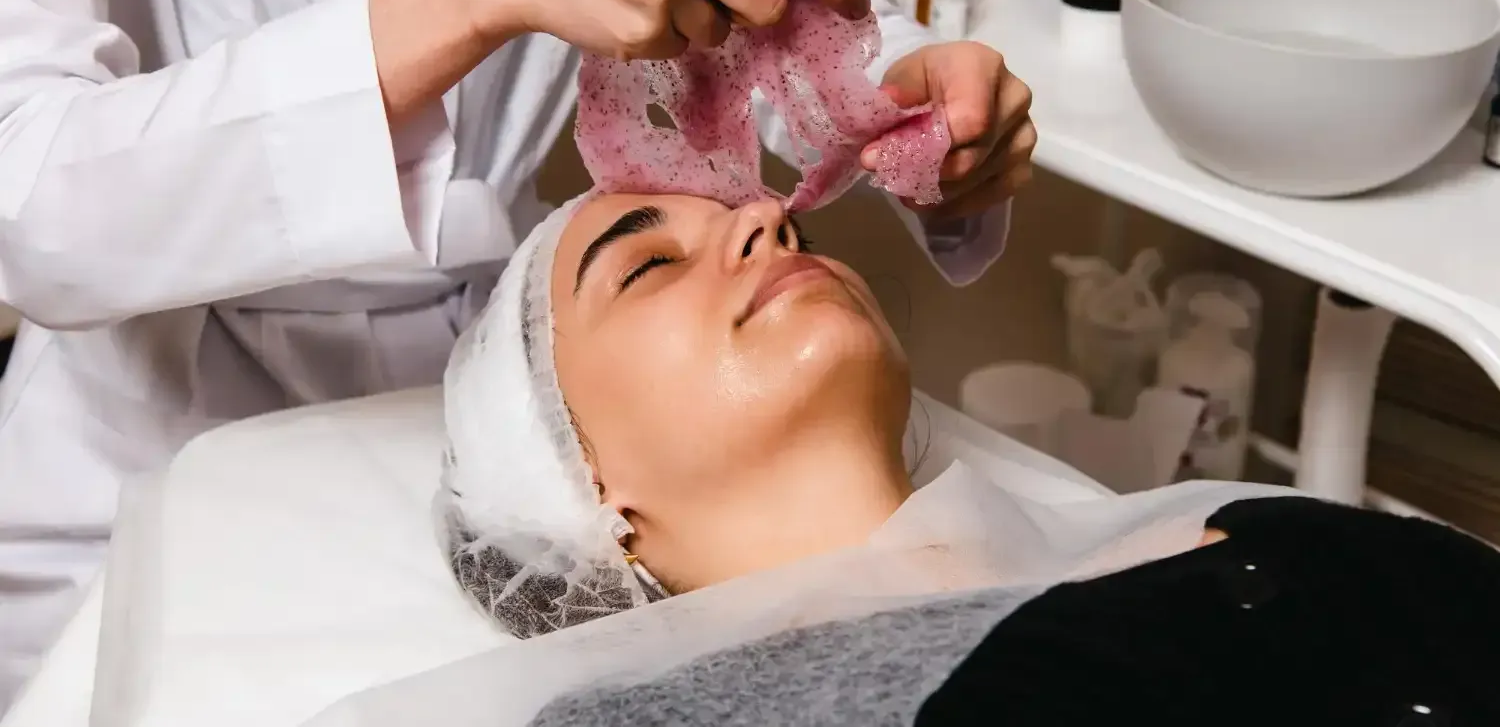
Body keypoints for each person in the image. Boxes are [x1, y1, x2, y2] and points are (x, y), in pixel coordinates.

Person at [0, 0, 1038, 705]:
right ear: (607, 503)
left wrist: (910, 107)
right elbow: (27, 192)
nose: (764, 227)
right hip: (147, 417)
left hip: (514, 369)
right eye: (650, 263)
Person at [420, 190, 1500, 727]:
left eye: (763, 212)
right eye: (647, 265)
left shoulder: (1257, 534)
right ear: (579, 491)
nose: (767, 215)